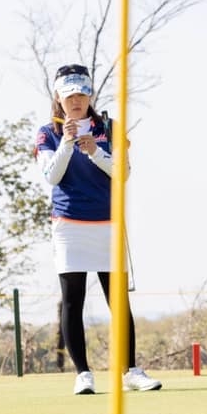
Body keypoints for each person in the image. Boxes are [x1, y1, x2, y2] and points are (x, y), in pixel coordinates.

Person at [34, 64, 161, 395]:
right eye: (69, 96)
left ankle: (130, 371)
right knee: (72, 300)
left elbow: (122, 173)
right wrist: (67, 143)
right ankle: (83, 374)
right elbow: (51, 176)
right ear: (59, 98)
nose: (76, 101)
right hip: (69, 225)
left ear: (90, 95)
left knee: (118, 300)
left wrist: (95, 152)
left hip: (107, 223)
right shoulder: (47, 133)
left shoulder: (109, 127)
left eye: (81, 94)